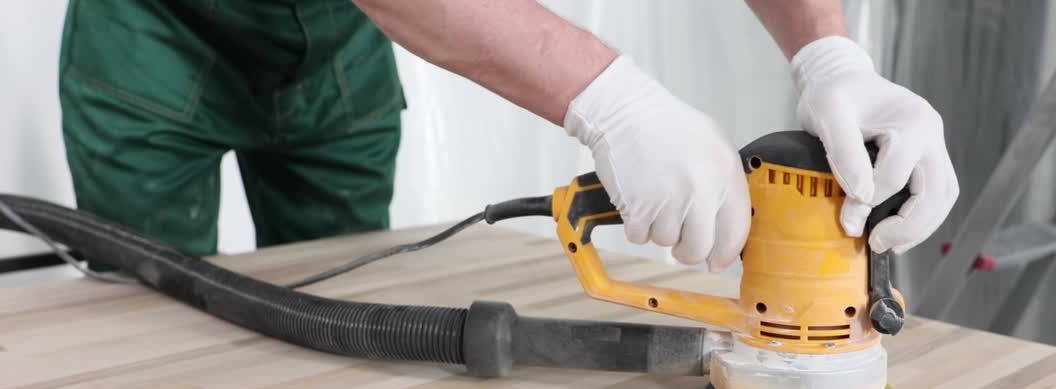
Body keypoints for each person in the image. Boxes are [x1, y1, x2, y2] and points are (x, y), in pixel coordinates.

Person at [60, 0, 957, 273]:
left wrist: (829, 58)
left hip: (338, 49)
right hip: (155, 40)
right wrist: (610, 100)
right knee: (151, 311)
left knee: (327, 300)